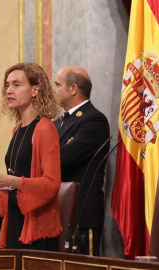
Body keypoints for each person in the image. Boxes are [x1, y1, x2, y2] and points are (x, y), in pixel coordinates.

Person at [0, 62, 62, 251]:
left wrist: (9, 180)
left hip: (36, 224)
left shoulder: (45, 127)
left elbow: (52, 183)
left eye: (16, 84)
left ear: (35, 90)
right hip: (16, 218)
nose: (9, 90)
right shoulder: (17, 130)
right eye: (7, 85)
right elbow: (17, 180)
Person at [53, 66, 110, 256]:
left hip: (81, 216)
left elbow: (61, 158)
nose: (54, 89)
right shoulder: (57, 122)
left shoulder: (93, 120)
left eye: (57, 84)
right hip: (56, 213)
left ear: (73, 89)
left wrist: (59, 150)